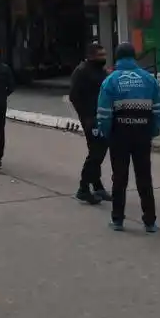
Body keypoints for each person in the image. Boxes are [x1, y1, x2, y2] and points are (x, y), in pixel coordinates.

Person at [97, 43, 160, 233]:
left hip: (119, 135)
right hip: (142, 133)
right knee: (144, 177)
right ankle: (150, 222)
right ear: (134, 57)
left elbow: (103, 113)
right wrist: (154, 129)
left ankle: (118, 219)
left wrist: (107, 131)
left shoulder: (111, 81)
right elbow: (159, 109)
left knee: (119, 177)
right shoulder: (148, 80)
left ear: (117, 58)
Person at [70, 43, 112, 204]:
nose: (103, 58)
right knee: (96, 153)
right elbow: (74, 96)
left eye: (104, 55)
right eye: (100, 55)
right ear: (91, 56)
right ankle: (83, 188)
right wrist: (87, 116)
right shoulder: (82, 71)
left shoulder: (101, 71)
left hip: (102, 117)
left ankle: (98, 186)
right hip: (91, 119)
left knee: (98, 153)